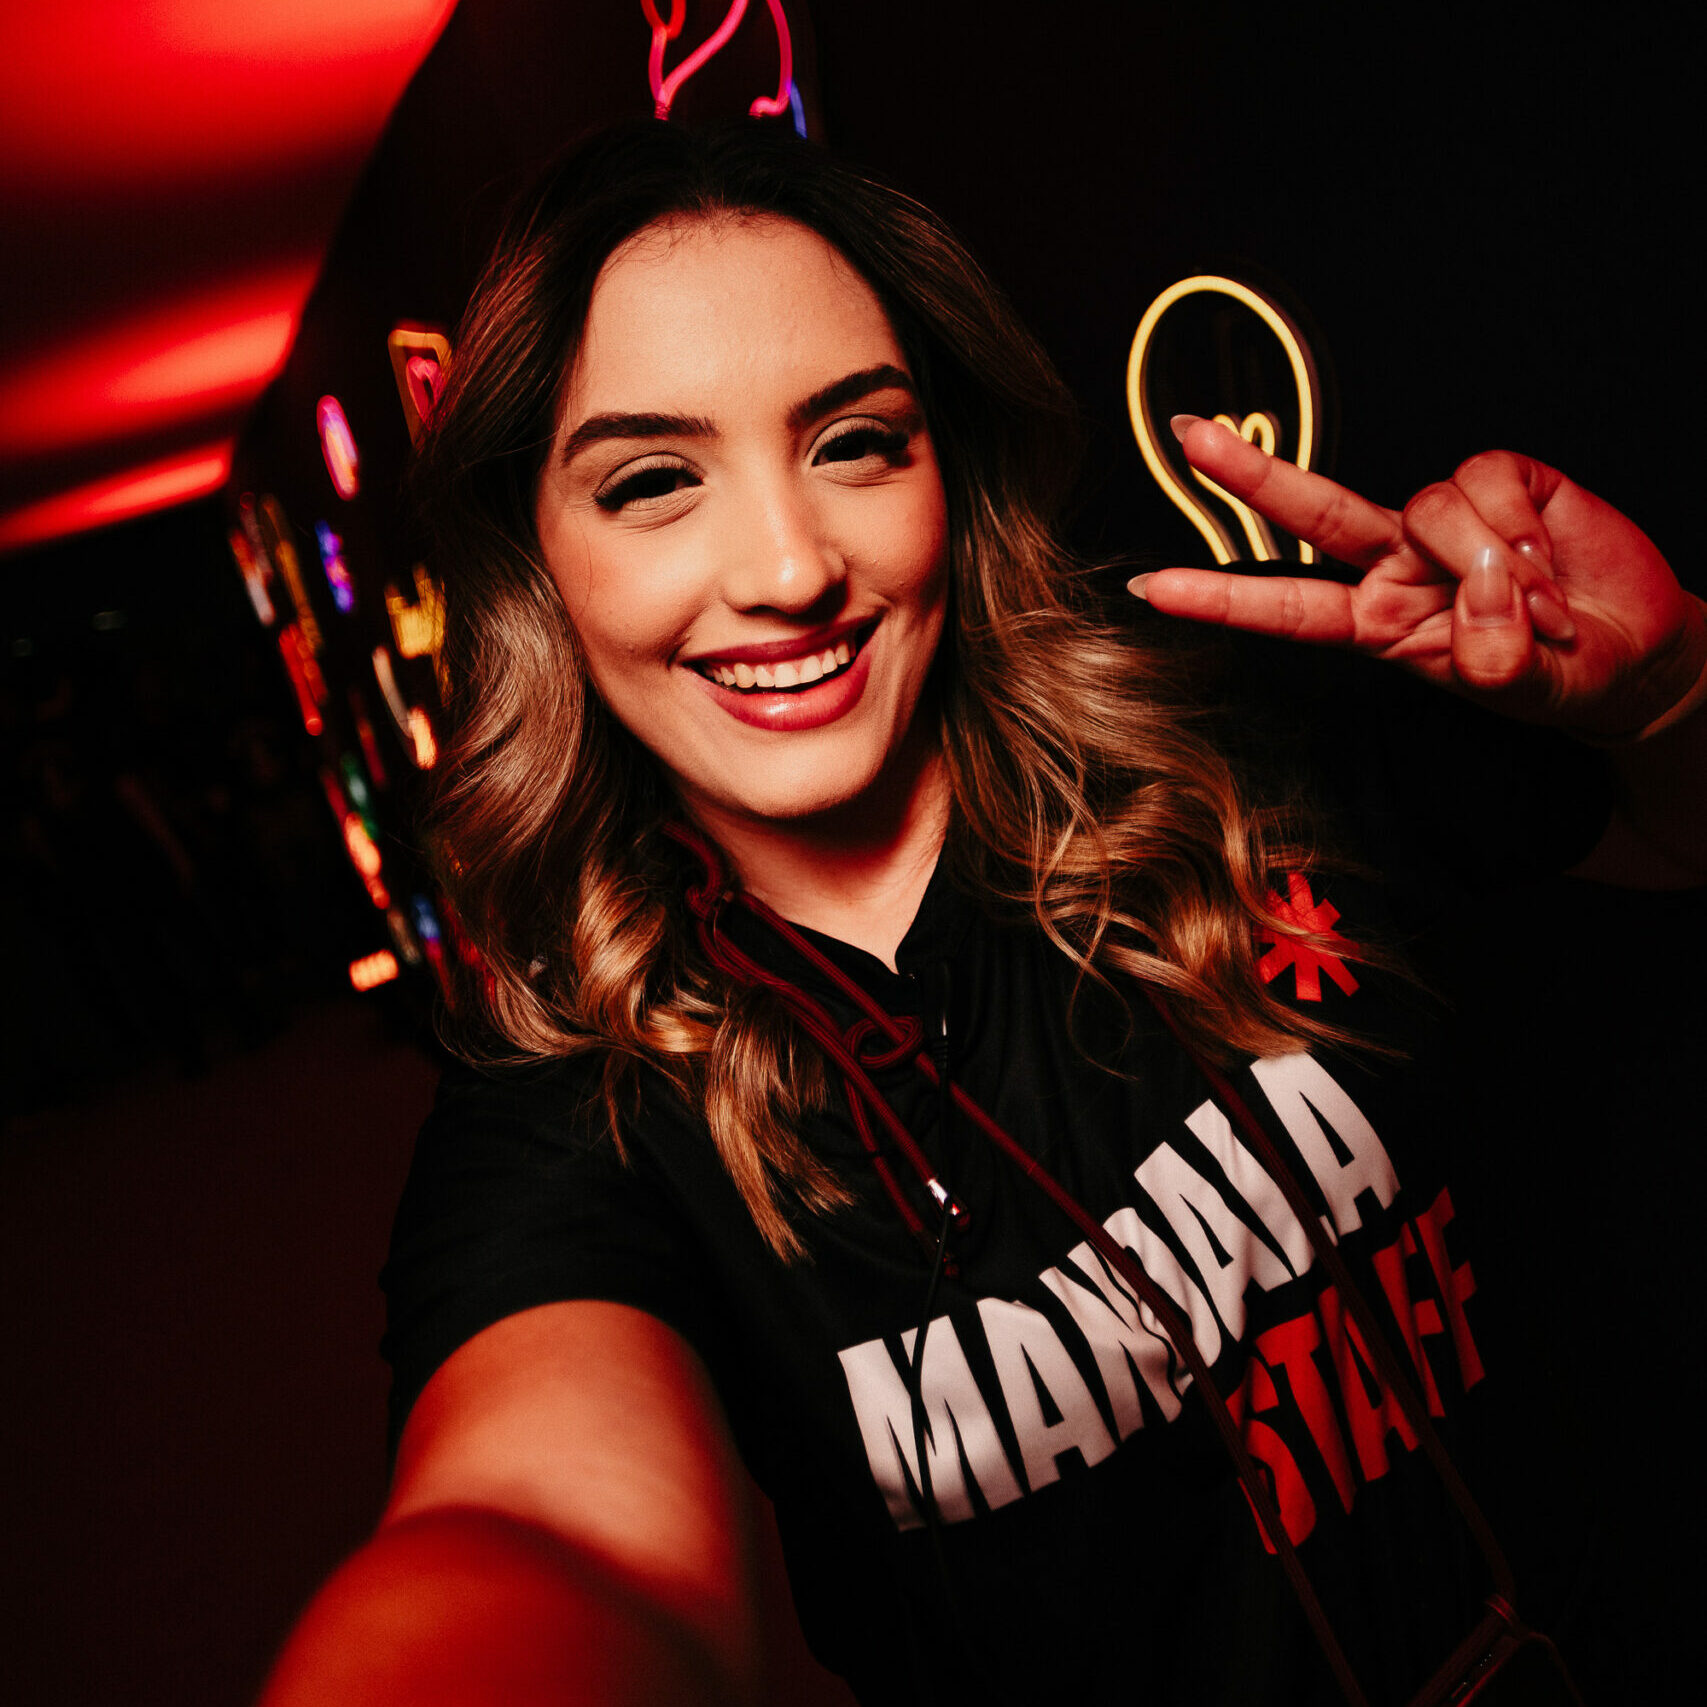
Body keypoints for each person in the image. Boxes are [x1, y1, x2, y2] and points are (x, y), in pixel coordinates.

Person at [259, 121, 1705, 1706]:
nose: (789, 568)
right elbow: (540, 1527)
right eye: (655, 481)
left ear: (947, 461)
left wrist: (1667, 692)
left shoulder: (1226, 735)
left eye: (854, 443)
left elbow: (1663, 855)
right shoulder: (573, 1113)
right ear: (537, 558)